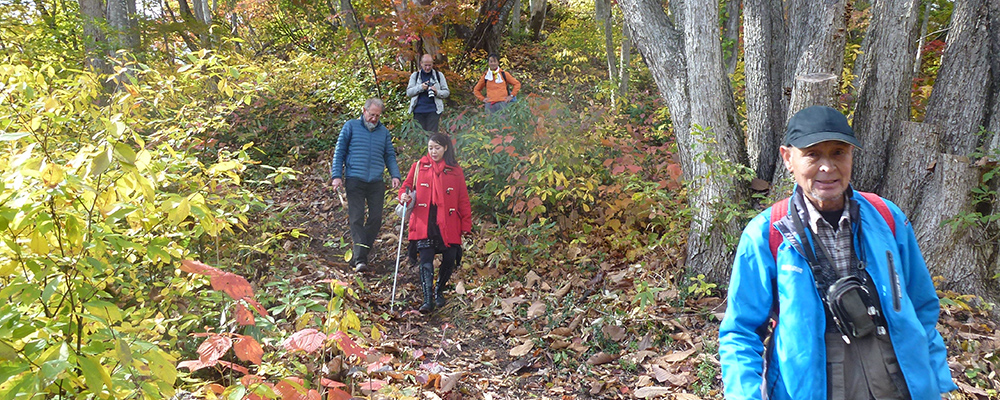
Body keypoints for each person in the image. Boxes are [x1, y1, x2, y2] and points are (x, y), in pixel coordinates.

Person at [719, 105, 957, 400]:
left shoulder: (885, 217)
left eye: (838, 152)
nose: (827, 167)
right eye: (812, 154)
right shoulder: (767, 234)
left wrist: (934, 379)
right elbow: (740, 332)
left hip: (897, 379)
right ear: (787, 158)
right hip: (812, 384)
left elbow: (921, 306)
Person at [398, 133, 472, 313]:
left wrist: (466, 224)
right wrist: (403, 196)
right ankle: (427, 299)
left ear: (445, 148)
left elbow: (463, 198)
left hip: (448, 220)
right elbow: (405, 186)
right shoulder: (418, 167)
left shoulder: (455, 170)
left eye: (437, 148)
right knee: (426, 258)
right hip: (424, 219)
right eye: (430, 148)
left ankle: (439, 290)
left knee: (449, 258)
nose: (433, 152)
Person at [331, 98, 402, 273]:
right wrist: (336, 176)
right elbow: (339, 152)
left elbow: (389, 155)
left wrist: (395, 175)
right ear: (364, 111)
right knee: (356, 218)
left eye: (377, 116)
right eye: (371, 115)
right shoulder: (350, 127)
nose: (374, 119)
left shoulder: (383, 132)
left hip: (376, 181)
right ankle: (361, 259)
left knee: (376, 219)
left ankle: (359, 255)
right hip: (355, 178)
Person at [406, 54, 450, 133]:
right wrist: (420, 88)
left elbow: (446, 92)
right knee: (420, 136)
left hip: (434, 111)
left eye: (430, 65)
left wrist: (437, 92)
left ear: (432, 64)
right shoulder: (415, 76)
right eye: (425, 65)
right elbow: (409, 92)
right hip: (418, 111)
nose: (427, 67)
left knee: (432, 136)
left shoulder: (439, 75)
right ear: (421, 63)